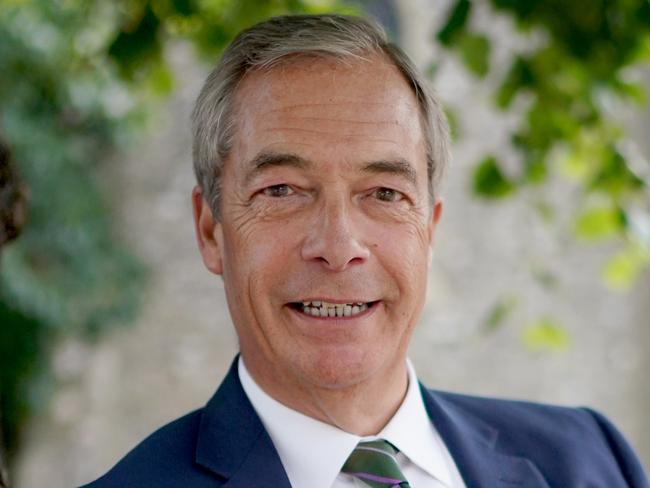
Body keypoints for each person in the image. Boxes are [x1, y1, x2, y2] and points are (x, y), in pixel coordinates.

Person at [82, 14, 649, 488]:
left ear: (429, 230)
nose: (338, 247)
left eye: (384, 193)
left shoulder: (591, 462)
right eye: (281, 190)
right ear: (211, 231)